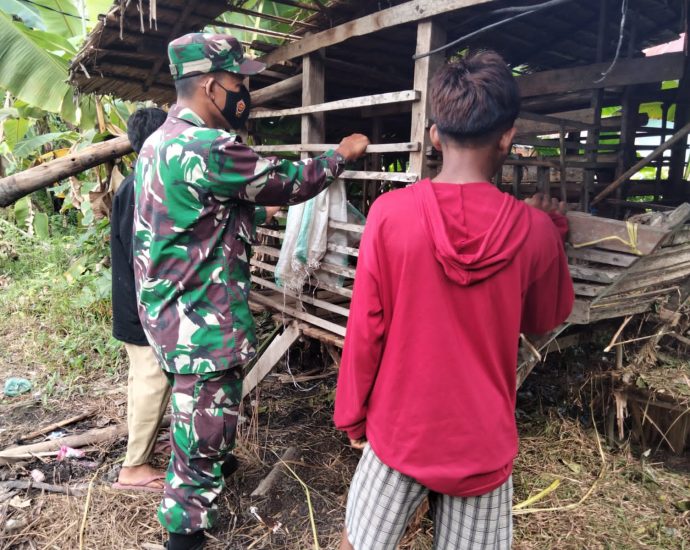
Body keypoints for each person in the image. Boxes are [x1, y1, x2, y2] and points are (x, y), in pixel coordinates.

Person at [132, 33, 369, 550]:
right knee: (198, 444)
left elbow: (192, 219)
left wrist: (252, 213)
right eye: (238, 80)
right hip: (200, 325)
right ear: (211, 87)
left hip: (169, 316)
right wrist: (341, 154)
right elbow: (293, 180)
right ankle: (186, 532)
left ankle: (213, 460)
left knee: (200, 419)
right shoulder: (209, 146)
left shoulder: (159, 142)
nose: (245, 91)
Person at [334, 51, 574, 550]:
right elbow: (542, 318)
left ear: (435, 135)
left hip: (400, 432)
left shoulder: (389, 215)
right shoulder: (535, 233)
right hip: (481, 444)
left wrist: (352, 414)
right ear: (507, 136)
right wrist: (550, 231)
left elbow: (365, 327)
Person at [110, 107, 170, 492]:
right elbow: (143, 253)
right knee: (152, 381)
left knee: (140, 380)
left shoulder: (132, 182)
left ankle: (139, 451)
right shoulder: (142, 187)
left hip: (130, 300)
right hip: (141, 304)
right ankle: (134, 468)